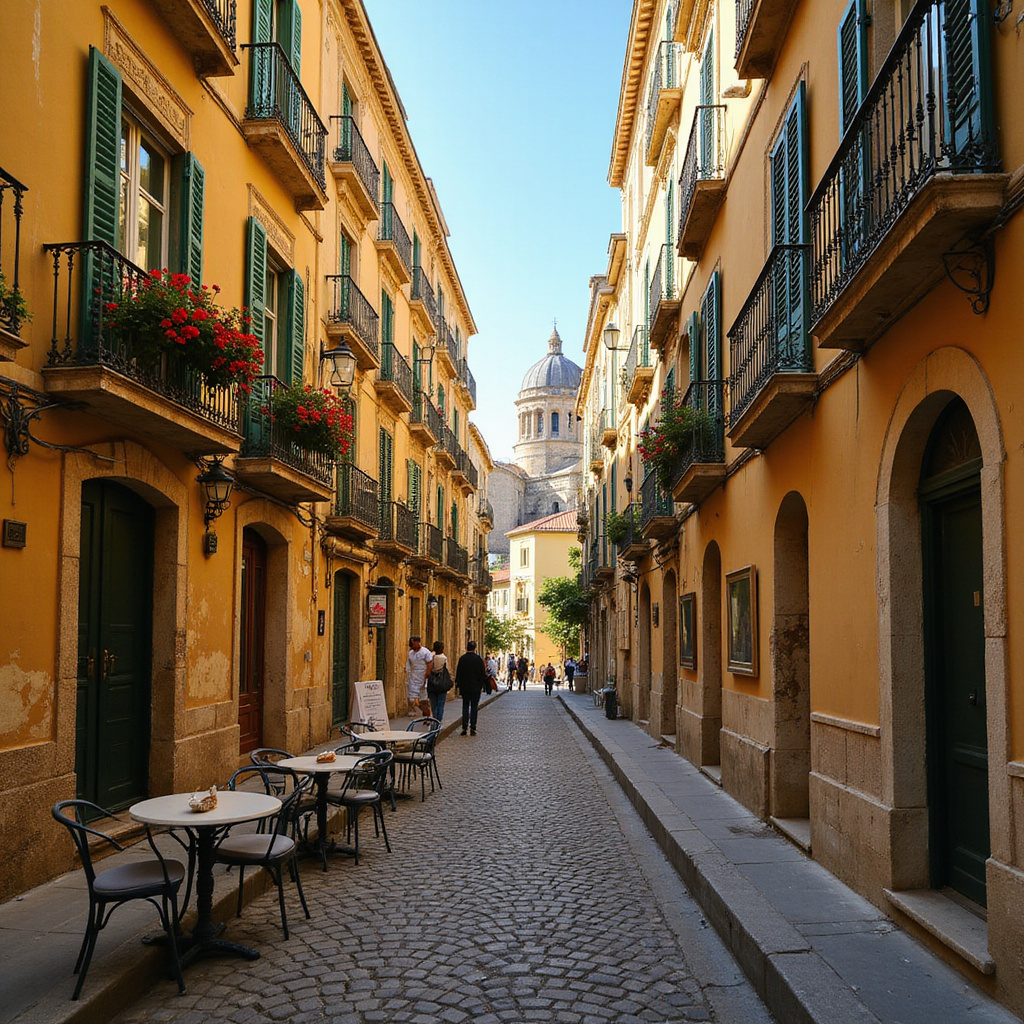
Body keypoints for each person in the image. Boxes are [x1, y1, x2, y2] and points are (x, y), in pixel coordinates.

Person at [454, 640, 488, 736]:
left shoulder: (462, 659)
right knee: (474, 707)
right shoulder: (478, 659)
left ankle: (464, 727)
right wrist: (481, 685)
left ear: (466, 647)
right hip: (475, 688)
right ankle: (473, 727)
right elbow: (482, 674)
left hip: (465, 687)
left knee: (465, 706)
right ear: (475, 648)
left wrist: (458, 685)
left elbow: (459, 673)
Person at [405, 636, 433, 717]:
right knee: (412, 699)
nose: (412, 646)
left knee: (423, 699)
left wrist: (427, 674)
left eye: (413, 644)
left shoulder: (425, 652)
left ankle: (427, 715)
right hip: (413, 678)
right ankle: (424, 713)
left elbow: (430, 662)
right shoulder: (410, 653)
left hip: (422, 677)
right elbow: (409, 664)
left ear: (417, 643)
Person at [425, 641, 450, 722]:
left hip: (432, 683)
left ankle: (435, 719)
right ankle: (438, 721)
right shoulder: (444, 658)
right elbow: (448, 670)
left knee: (434, 704)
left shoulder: (431, 657)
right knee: (441, 704)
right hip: (442, 684)